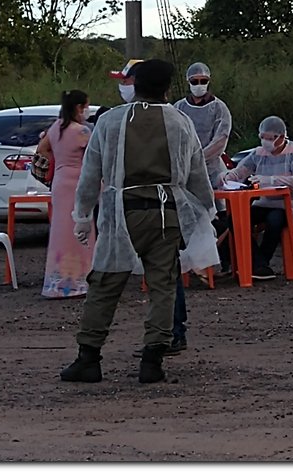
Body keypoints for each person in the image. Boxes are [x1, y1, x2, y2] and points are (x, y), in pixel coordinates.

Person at [60, 59, 218, 384]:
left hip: (122, 214)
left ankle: (88, 358)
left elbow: (91, 174)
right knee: (163, 287)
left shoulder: (110, 121)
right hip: (167, 213)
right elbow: (197, 173)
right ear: (168, 88)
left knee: (105, 285)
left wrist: (82, 214)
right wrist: (208, 210)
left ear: (134, 85)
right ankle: (152, 361)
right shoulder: (180, 122)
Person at [111, 58, 190, 355]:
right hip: (147, 209)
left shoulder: (170, 119)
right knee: (163, 275)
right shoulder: (126, 118)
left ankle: (170, 334)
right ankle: (167, 333)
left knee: (164, 276)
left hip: (159, 209)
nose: (123, 88)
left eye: (127, 82)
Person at [220, 115, 293, 280]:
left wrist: (270, 180)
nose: (265, 142)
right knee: (236, 219)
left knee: (275, 220)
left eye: (269, 139)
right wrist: (228, 177)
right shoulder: (258, 153)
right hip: (265, 202)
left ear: (281, 137)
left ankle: (260, 263)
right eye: (262, 138)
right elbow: (241, 171)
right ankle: (258, 263)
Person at [173, 62, 233, 280]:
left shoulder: (219, 108)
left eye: (203, 81)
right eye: (195, 81)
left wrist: (199, 157)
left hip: (212, 169)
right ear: (188, 82)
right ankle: (192, 262)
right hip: (186, 171)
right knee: (190, 216)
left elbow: (221, 139)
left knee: (221, 214)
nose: (199, 85)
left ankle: (225, 261)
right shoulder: (179, 107)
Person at [38, 89, 95, 299]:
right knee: (82, 228)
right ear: (79, 107)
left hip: (60, 182)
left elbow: (41, 149)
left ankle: (58, 281)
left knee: (61, 230)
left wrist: (57, 161)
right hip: (79, 182)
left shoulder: (55, 128)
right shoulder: (82, 132)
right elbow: (96, 156)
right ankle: (82, 278)